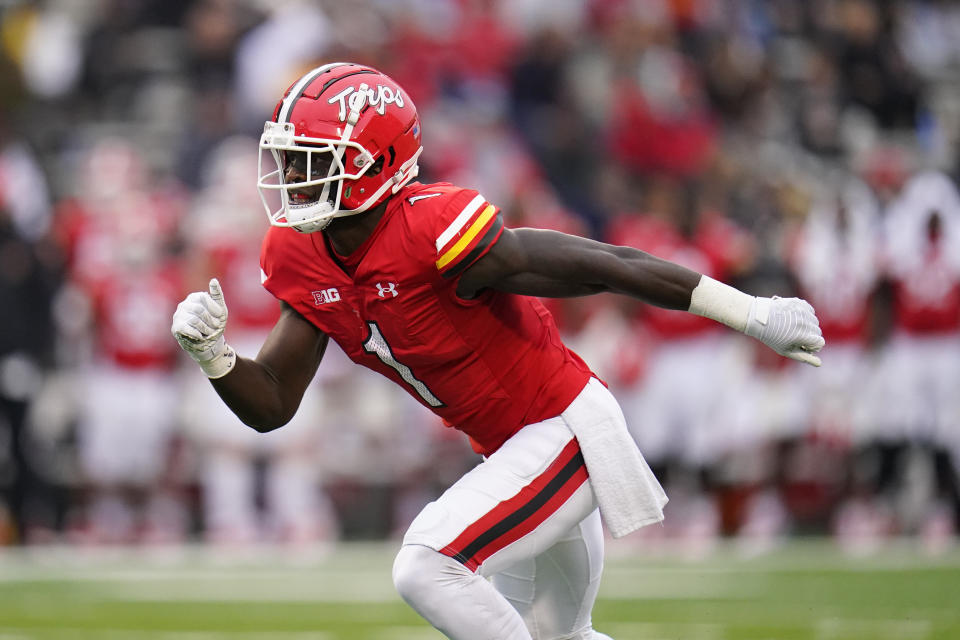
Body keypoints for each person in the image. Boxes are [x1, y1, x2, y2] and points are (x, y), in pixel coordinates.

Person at [172, 62, 824, 640]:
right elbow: (274, 402)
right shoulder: (302, 254)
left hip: (563, 430)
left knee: (428, 565)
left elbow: (605, 263)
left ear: (373, 162)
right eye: (288, 158)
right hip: (514, 450)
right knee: (558, 635)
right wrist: (216, 358)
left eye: (311, 159)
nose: (290, 176)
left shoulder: (432, 227)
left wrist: (751, 312)